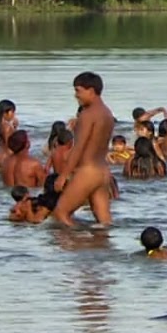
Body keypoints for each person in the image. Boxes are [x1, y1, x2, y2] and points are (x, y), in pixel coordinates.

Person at [52, 72, 116, 227]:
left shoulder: (87, 114)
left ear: (91, 91)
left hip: (88, 171)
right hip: (103, 172)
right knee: (104, 223)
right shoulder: (107, 113)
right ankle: (99, 243)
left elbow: (79, 147)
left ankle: (76, 241)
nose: (76, 95)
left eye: (78, 91)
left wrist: (63, 175)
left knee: (60, 214)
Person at [0, 100, 18, 171]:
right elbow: (9, 145)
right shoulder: (7, 127)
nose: (14, 115)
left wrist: (14, 127)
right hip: (6, 157)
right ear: (6, 113)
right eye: (13, 112)